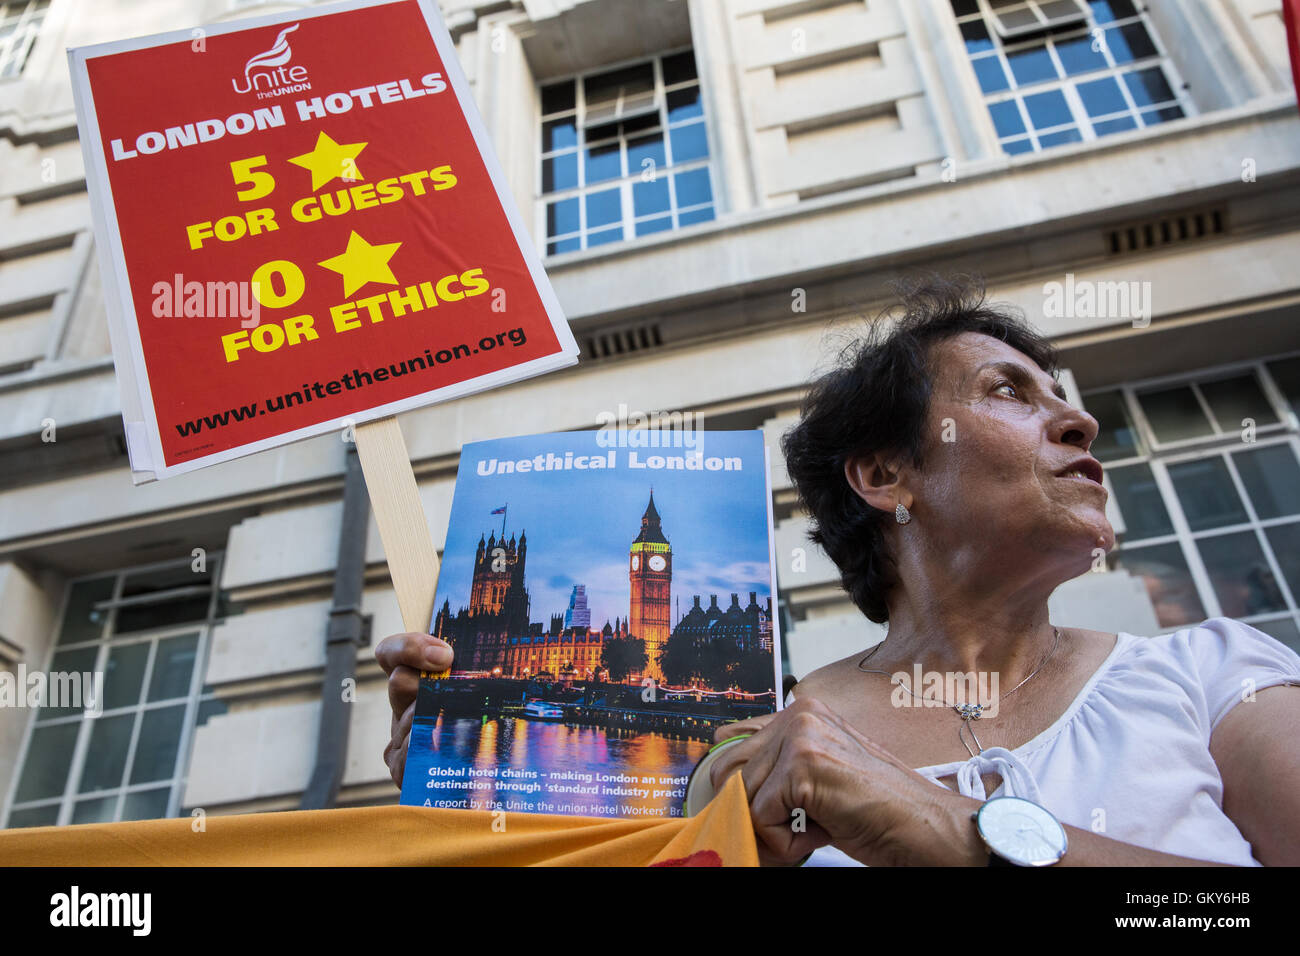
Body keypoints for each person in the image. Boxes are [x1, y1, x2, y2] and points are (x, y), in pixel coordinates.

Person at [375, 275, 1300, 866]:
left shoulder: (1218, 677)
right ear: (886, 474)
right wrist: (475, 793)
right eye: (1009, 392)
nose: (1080, 422)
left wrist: (957, 838)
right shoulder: (743, 739)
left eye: (1062, 395)